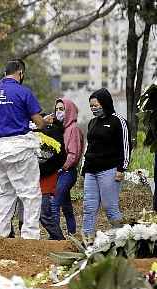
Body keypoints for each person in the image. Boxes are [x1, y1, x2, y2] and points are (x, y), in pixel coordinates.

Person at [0, 59, 45, 239]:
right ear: (20, 73)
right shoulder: (24, 92)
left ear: (4, 74)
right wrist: (44, 121)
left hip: (0, 150)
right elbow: (39, 122)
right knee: (30, 194)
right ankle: (30, 235)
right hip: (21, 149)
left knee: (6, 192)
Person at [82, 88, 131, 243]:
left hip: (109, 171)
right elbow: (89, 146)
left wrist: (122, 169)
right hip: (91, 171)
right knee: (89, 207)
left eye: (96, 105)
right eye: (91, 106)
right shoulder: (92, 123)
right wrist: (84, 168)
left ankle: (123, 239)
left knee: (110, 208)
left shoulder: (118, 121)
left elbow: (126, 146)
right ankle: (87, 239)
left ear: (105, 102)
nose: (93, 108)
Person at [53, 98, 84, 236]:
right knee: (66, 207)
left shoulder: (73, 129)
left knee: (54, 204)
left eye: (62, 109)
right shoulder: (61, 129)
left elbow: (74, 154)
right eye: (57, 109)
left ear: (69, 111)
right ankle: (72, 235)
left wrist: (63, 167)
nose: (59, 112)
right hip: (60, 172)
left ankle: (55, 236)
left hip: (67, 172)